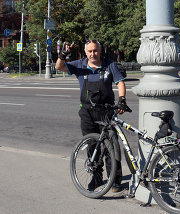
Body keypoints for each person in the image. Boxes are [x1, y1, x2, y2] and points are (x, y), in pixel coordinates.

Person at [55, 40, 129, 192]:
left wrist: (122, 100)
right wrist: (63, 55)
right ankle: (96, 178)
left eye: (95, 51)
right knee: (92, 146)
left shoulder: (110, 65)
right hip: (87, 112)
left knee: (111, 146)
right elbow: (59, 67)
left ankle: (115, 179)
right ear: (86, 52)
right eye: (89, 51)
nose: (92, 54)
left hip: (106, 111)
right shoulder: (80, 65)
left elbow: (120, 83)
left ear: (100, 51)